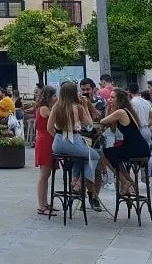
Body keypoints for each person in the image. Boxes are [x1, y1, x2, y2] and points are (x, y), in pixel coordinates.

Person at [47, 82, 102, 211]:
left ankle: (74, 179)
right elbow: (89, 126)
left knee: (80, 158)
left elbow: (49, 128)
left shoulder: (56, 106)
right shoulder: (78, 107)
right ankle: (78, 183)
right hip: (73, 141)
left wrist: (58, 136)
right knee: (94, 156)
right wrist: (84, 105)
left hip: (57, 144)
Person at [100, 88, 151, 194]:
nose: (110, 99)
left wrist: (108, 108)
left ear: (120, 99)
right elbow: (113, 129)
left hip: (134, 148)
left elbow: (103, 121)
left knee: (104, 154)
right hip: (140, 147)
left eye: (112, 97)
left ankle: (124, 181)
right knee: (115, 156)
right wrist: (110, 107)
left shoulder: (120, 112)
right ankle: (129, 181)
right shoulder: (127, 110)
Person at [35, 85, 57, 216]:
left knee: (46, 175)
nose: (56, 98)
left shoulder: (45, 108)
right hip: (45, 141)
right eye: (54, 96)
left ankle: (45, 203)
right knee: (44, 175)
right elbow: (57, 120)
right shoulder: (44, 109)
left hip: (46, 140)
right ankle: (41, 206)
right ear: (49, 97)